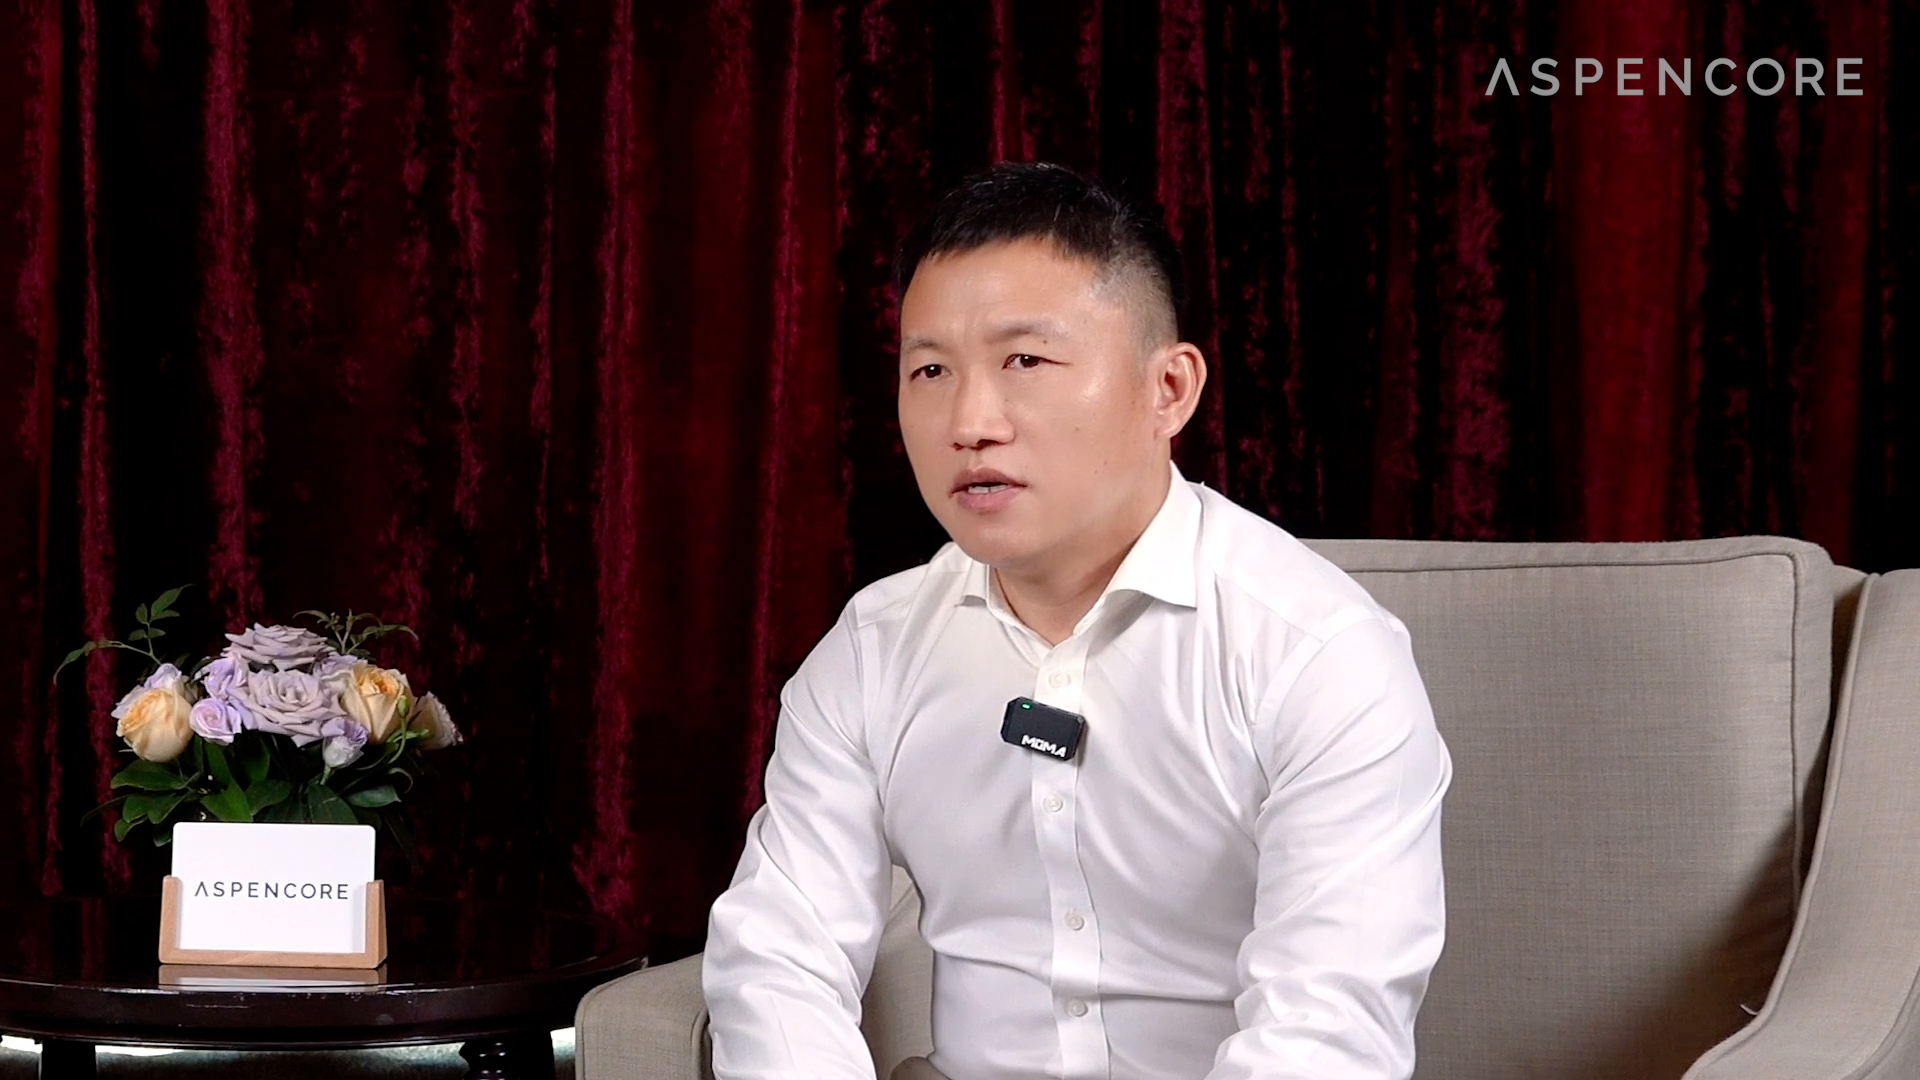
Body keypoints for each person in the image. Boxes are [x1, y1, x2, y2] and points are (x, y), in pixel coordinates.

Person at [703, 161, 1452, 1080]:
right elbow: (778, 960)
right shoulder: (872, 651)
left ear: (1168, 389)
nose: (971, 421)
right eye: (930, 369)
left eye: (1025, 361)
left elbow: (1327, 1038)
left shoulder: (1317, 656)